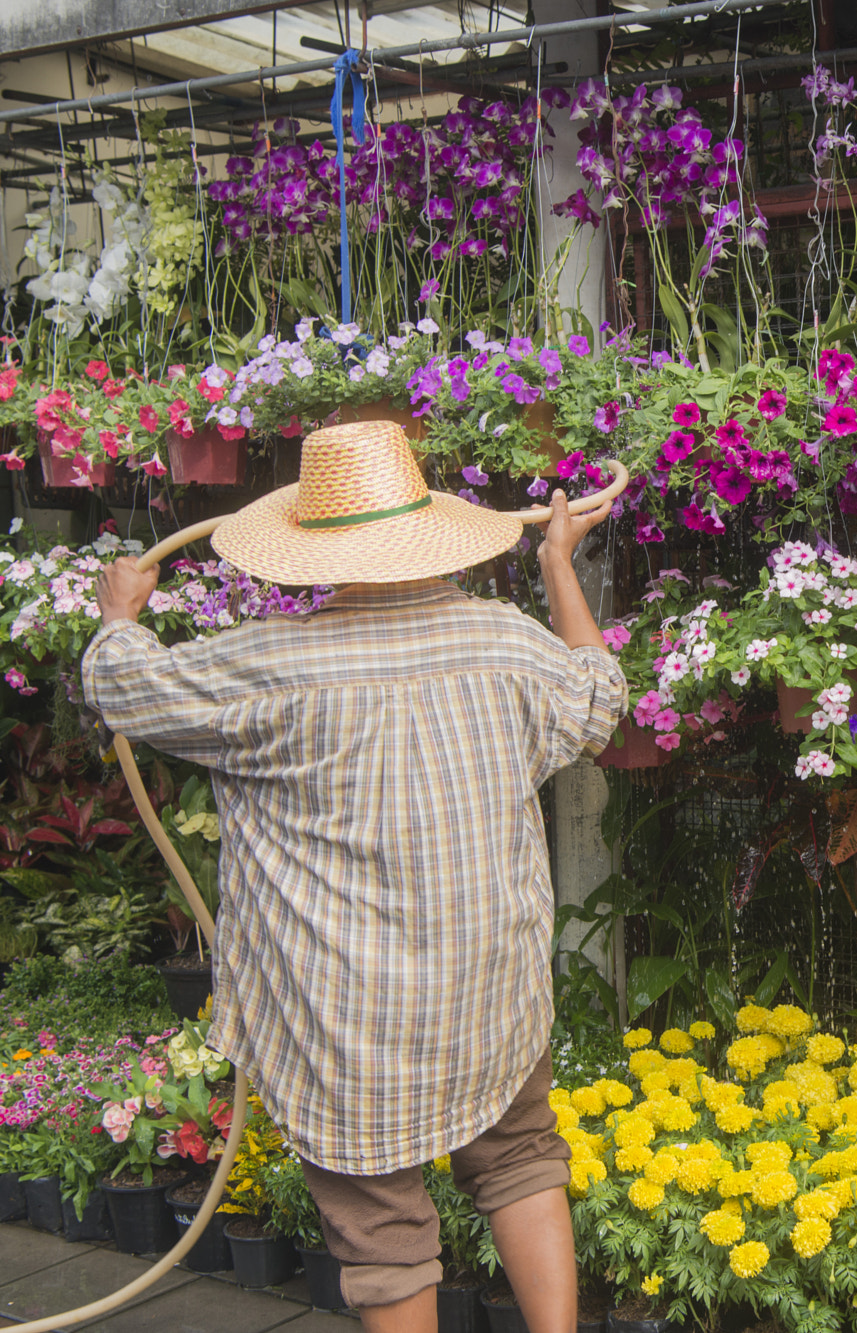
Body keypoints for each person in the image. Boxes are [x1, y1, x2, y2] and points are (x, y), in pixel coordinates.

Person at [84, 420, 625, 1333]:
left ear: (312, 551)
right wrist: (558, 566)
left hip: (346, 1011)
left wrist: (119, 617)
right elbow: (598, 694)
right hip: (488, 979)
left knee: (380, 1228)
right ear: (428, 528)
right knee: (523, 1157)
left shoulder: (264, 663)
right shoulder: (503, 643)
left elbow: (123, 687)